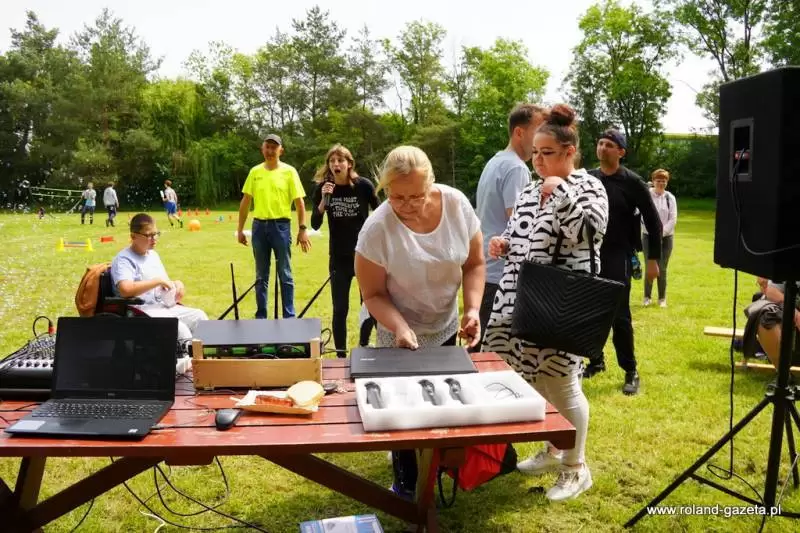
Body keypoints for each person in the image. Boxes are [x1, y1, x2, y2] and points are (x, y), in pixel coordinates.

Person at [482, 104, 608, 501]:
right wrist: (504, 243)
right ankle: (554, 450)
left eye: (547, 153)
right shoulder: (529, 188)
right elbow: (523, 235)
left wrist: (563, 193)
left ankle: (576, 468)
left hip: (563, 302)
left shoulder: (589, 187)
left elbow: (589, 234)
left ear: (570, 152)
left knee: (563, 382)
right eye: (535, 152)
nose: (538, 160)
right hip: (524, 300)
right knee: (535, 379)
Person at [355, 145, 484, 498]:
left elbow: (474, 263)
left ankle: (436, 467)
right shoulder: (376, 230)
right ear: (385, 189)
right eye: (397, 197)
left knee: (439, 402)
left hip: (445, 323)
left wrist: (472, 309)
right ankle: (406, 484)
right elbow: (373, 294)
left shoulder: (456, 205)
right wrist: (399, 327)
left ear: (431, 184)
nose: (408, 206)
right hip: (396, 328)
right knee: (401, 411)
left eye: (417, 196)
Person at [584, 129, 662, 395]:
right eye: (600, 143)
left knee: (620, 315)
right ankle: (595, 361)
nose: (602, 148)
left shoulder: (632, 182)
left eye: (609, 145)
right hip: (590, 254)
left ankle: (630, 370)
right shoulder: (588, 178)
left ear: (621, 152)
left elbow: (653, 221)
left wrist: (653, 260)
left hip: (618, 254)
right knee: (590, 311)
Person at [473, 103, 547, 352]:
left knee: (481, 345)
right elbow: (520, 224)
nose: (543, 136)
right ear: (519, 132)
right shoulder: (516, 168)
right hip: (501, 272)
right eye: (538, 130)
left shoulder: (496, 161)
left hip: (487, 267)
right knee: (491, 353)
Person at [310, 144, 379, 355]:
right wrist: (323, 202)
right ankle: (340, 354)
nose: (336, 164)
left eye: (340, 160)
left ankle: (367, 345)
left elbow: (380, 212)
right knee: (340, 308)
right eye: (332, 161)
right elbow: (314, 224)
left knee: (370, 305)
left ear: (349, 164)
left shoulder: (363, 186)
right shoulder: (323, 188)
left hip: (364, 255)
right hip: (339, 258)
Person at [237, 134, 311, 319]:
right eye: (267, 147)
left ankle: (289, 316)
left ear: (281, 151)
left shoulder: (289, 172)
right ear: (262, 149)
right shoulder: (255, 172)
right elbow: (245, 201)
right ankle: (261, 316)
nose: (270, 151)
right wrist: (240, 230)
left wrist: (302, 229)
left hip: (281, 227)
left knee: (285, 273)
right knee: (261, 275)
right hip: (259, 227)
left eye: (274, 147)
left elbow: (299, 203)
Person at [111, 213, 208, 343]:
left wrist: (176, 284)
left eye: (156, 234)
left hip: (162, 306)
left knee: (200, 318)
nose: (154, 239)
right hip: (140, 311)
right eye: (149, 235)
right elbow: (125, 290)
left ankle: (207, 355)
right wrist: (156, 281)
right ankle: (187, 355)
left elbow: (165, 283)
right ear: (133, 236)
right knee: (181, 330)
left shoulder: (153, 255)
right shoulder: (124, 260)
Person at [642, 169, 677, 307]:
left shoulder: (670, 198)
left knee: (662, 268)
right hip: (648, 236)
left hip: (666, 237)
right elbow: (642, 216)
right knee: (650, 266)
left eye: (664, 181)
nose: (661, 183)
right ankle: (647, 297)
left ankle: (662, 298)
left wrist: (661, 234)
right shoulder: (646, 196)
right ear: (653, 181)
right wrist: (654, 234)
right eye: (658, 180)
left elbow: (673, 219)